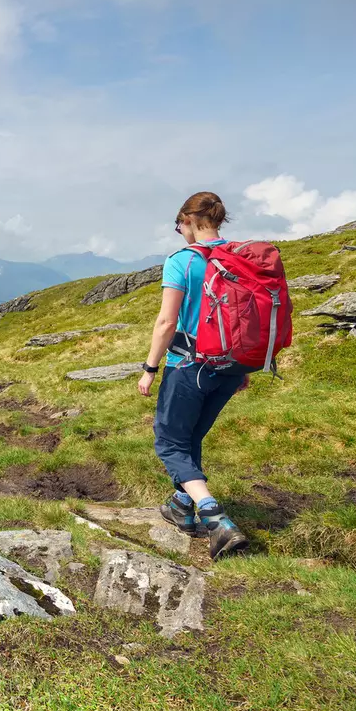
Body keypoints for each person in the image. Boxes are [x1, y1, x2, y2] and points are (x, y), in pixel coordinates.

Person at [136, 191, 250, 559]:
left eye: (179, 225)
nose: (179, 232)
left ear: (189, 221)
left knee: (169, 441)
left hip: (190, 365)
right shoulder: (240, 256)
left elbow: (167, 321)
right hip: (232, 366)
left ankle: (215, 518)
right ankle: (182, 506)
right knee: (191, 436)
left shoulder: (183, 261)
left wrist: (150, 368)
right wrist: (243, 365)